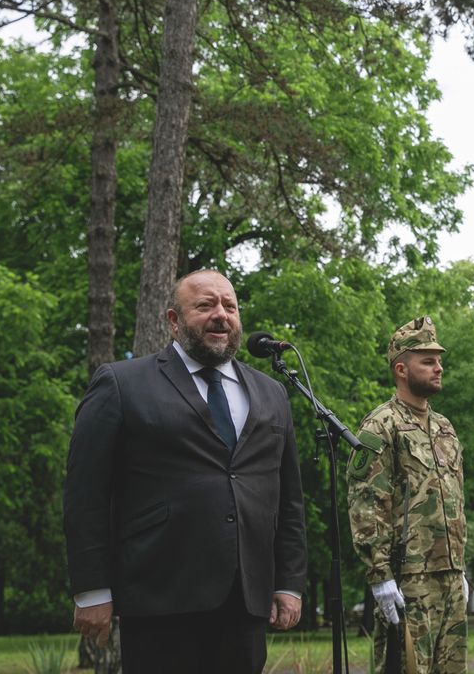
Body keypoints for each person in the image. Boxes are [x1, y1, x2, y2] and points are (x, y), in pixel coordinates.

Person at [63, 269, 307, 674]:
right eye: (205, 305)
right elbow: (84, 493)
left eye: (229, 306)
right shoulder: (122, 383)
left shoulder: (272, 392)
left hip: (245, 599)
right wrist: (92, 589)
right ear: (174, 321)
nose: (221, 315)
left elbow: (289, 498)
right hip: (160, 597)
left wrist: (288, 582)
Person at [347, 317, 467, 674]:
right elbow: (366, 504)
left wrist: (460, 564)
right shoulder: (380, 425)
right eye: (427, 360)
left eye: (439, 359)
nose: (439, 367)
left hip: (450, 577)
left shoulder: (444, 427)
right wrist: (380, 575)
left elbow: (456, 499)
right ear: (401, 368)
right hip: (408, 579)